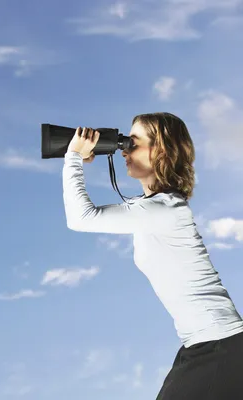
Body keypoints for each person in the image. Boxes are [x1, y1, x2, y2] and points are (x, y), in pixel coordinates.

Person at [62, 112, 243, 399]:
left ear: (161, 150)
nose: (124, 150)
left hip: (219, 344)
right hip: (205, 345)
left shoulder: (165, 210)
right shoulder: (152, 207)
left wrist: (73, 157)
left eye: (133, 143)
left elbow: (81, 218)